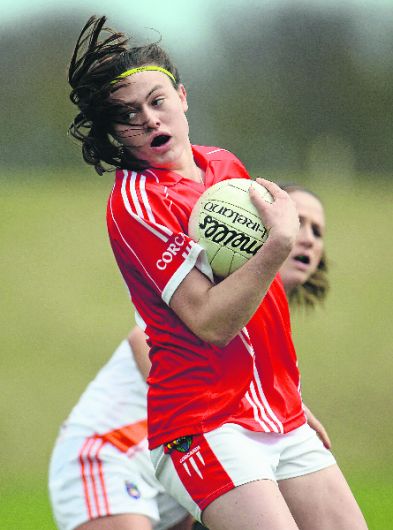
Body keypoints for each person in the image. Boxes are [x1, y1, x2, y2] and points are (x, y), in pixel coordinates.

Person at [66, 15, 367, 529]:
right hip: (203, 422)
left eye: (157, 101)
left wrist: (283, 395)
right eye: (128, 115)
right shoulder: (137, 203)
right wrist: (278, 244)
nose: (149, 120)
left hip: (278, 415)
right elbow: (210, 321)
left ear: (182, 98)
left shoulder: (225, 165)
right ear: (115, 132)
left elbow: (253, 300)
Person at [48, 185, 330, 530]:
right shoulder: (212, 291)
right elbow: (142, 342)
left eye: (318, 231)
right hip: (113, 454)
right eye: (298, 222)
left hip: (185, 468)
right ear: (254, 226)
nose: (309, 238)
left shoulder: (267, 322)